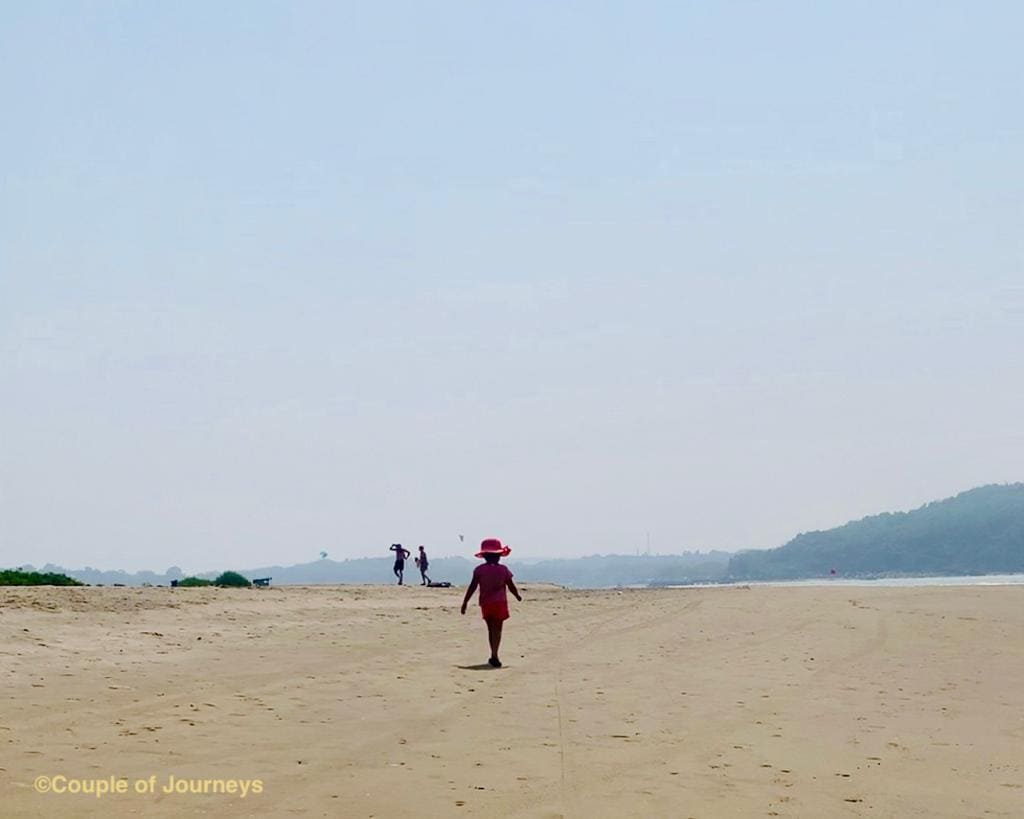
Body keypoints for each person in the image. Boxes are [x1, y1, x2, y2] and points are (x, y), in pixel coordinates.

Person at [460, 538, 521, 668]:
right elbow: (511, 586)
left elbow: (472, 587)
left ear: (484, 556)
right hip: (500, 603)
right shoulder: (503, 570)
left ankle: (493, 655)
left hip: (486, 603)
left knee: (490, 629)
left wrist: (465, 602)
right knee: (497, 629)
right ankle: (495, 655)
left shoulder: (479, 570)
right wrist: (517, 596)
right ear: (499, 556)